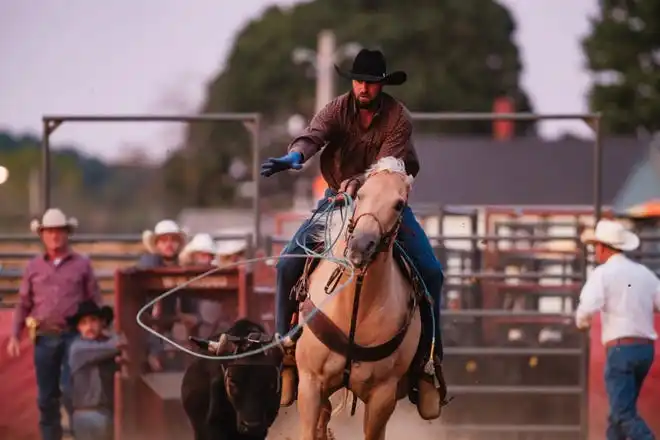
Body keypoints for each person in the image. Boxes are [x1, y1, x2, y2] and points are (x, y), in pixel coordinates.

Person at [260, 48, 446, 406]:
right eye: (359, 81)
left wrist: (356, 186)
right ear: (353, 83)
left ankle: (428, 362)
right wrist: (296, 156)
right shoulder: (336, 110)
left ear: (381, 85)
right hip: (337, 201)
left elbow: (387, 167)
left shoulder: (398, 118)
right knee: (287, 264)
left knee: (432, 274)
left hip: (384, 202)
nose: (364, 87)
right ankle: (284, 350)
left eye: (371, 83)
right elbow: (315, 135)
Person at [5, 208, 102, 440]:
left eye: (59, 231)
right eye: (49, 232)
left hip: (75, 337)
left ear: (67, 233)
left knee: (72, 392)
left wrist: (100, 328)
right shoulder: (33, 267)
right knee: (46, 397)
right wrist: (14, 335)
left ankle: (80, 435)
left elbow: (94, 300)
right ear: (42, 235)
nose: (54, 236)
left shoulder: (82, 264)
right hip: (45, 336)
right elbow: (24, 303)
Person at [577, 219, 660, 440]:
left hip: (621, 350)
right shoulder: (645, 274)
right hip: (645, 349)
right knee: (618, 412)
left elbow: (586, 309)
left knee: (623, 413)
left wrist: (581, 322)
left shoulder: (603, 275)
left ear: (603, 247)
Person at [137, 219, 191, 372]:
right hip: (147, 325)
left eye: (173, 240)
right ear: (157, 245)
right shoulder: (150, 264)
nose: (169, 244)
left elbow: (187, 301)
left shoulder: (182, 269)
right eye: (164, 240)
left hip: (166, 327)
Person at [67, 300, 122, 440]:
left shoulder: (104, 347)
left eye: (93, 321)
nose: (89, 326)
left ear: (102, 323)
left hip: (107, 412)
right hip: (87, 414)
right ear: (78, 327)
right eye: (84, 323)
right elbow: (118, 344)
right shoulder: (78, 349)